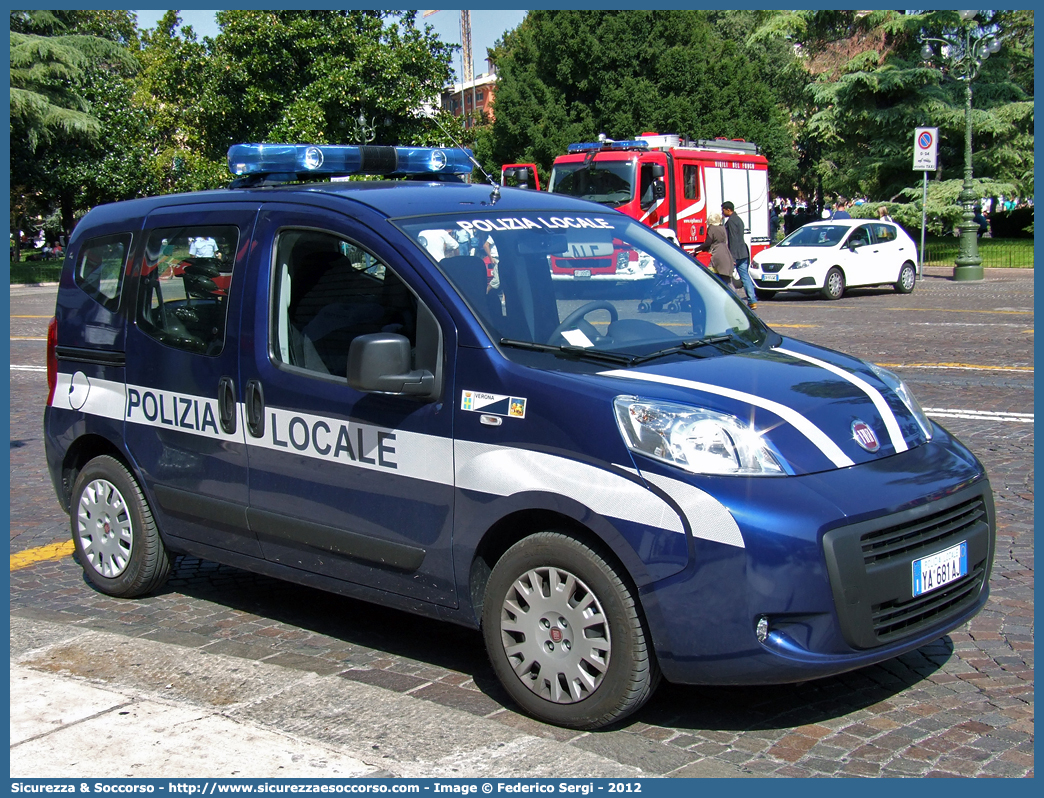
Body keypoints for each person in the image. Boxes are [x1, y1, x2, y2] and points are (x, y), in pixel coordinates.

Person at [721, 201, 755, 309]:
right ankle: (752, 300)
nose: (722, 212)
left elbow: (733, 240)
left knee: (727, 277)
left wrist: (733, 257)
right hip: (743, 252)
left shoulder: (731, 222)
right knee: (745, 277)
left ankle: (731, 299)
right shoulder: (739, 220)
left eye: (723, 210)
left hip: (735, 254)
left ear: (728, 209)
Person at [696, 213, 734, 287]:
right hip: (725, 252)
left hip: (717, 254)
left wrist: (696, 249)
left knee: (712, 277)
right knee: (726, 279)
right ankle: (732, 296)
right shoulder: (722, 227)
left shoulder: (712, 228)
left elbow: (708, 242)